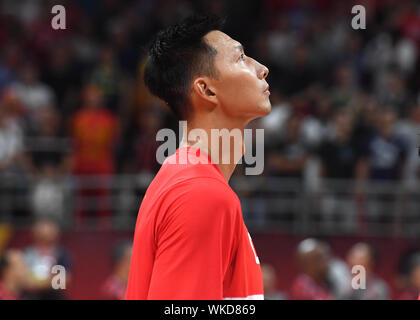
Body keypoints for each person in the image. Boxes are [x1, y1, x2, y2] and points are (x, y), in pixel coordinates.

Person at [125, 14, 270, 300]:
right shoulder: (201, 194)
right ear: (206, 89)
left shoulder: (187, 180)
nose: (262, 69)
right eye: (240, 58)